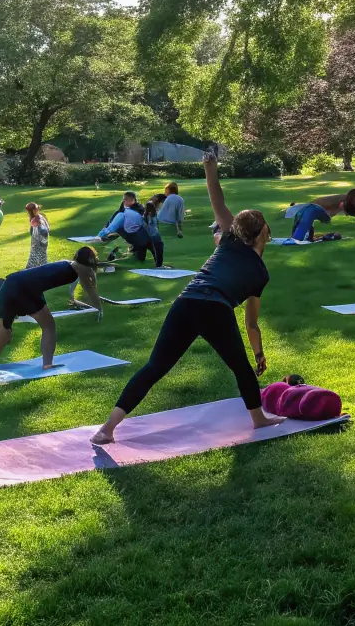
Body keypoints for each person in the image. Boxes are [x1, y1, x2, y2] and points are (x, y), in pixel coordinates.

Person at [90, 153, 285, 445]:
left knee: (155, 367)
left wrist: (210, 168)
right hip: (215, 308)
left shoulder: (230, 241)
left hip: (186, 302)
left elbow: (217, 200)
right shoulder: (260, 272)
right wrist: (258, 354)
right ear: (263, 234)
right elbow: (252, 323)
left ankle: (106, 429)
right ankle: (258, 419)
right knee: (240, 367)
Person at [0, 248, 103, 376]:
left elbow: (88, 284)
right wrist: (99, 308)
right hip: (18, 288)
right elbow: (90, 290)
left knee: (15, 332)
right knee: (27, 330)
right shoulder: (80, 269)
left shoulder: (70, 264)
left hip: (23, 287)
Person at [287, 188, 355, 241]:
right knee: (307, 216)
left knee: (308, 213)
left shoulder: (304, 211)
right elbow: (309, 225)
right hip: (317, 210)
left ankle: (301, 236)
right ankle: (302, 237)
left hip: (318, 209)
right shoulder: (303, 212)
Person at [98, 197, 155, 262]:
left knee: (138, 258)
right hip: (143, 239)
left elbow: (109, 229)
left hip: (140, 240)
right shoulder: (137, 213)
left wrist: (99, 237)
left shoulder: (123, 215)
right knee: (139, 257)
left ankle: (118, 255)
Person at [25, 202, 50, 268]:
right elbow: (47, 229)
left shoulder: (36, 220)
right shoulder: (38, 218)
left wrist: (43, 242)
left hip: (38, 244)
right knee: (41, 260)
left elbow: (43, 231)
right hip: (40, 243)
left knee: (37, 261)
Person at [143, 197, 167, 268]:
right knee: (159, 249)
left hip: (151, 234)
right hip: (155, 234)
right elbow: (153, 224)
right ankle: (159, 265)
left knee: (157, 249)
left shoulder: (145, 215)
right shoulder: (151, 215)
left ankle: (159, 264)